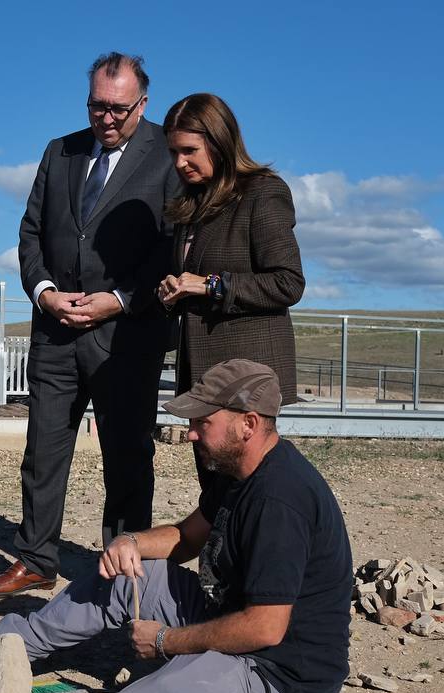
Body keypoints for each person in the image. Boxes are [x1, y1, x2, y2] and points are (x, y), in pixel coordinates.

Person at [0, 359, 352, 693]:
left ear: (249, 423)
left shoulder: (279, 501)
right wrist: (131, 542)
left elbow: (265, 627)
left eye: (203, 422)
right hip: (235, 623)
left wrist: (167, 641)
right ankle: (1, 649)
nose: (189, 433)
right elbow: (187, 537)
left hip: (279, 673)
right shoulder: (239, 469)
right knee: (128, 574)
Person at [0, 53, 179, 599]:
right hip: (56, 333)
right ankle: (36, 558)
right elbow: (30, 233)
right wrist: (44, 293)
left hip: (127, 336)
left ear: (143, 103)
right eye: (97, 106)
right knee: (43, 451)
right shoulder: (59, 151)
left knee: (127, 456)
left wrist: (118, 299)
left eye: (118, 108)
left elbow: (171, 248)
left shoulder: (169, 155)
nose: (106, 118)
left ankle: (123, 567)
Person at [156, 93, 305, 486]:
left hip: (246, 382)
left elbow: (288, 283)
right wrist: (175, 292)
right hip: (202, 375)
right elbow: (196, 285)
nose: (179, 163)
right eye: (173, 152)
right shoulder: (191, 204)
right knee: (214, 493)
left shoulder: (263, 192)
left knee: (247, 491)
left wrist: (211, 285)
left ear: (220, 142)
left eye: (189, 150)